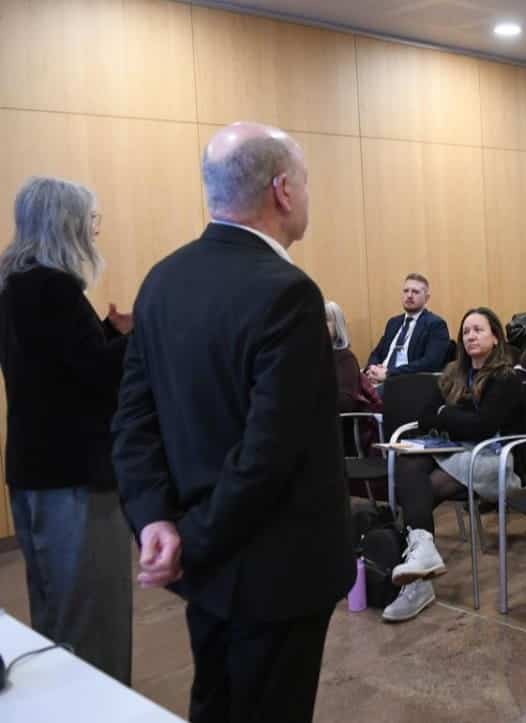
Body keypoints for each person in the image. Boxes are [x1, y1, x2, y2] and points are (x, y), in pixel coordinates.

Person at [112, 122, 353, 723]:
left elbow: (133, 421)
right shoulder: (289, 293)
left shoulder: (161, 281)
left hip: (202, 565)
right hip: (275, 572)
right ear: (283, 191)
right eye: (305, 181)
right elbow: (269, 454)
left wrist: (156, 522)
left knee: (216, 701)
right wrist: (190, 541)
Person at [0, 176, 133, 684]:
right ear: (66, 223)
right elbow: (95, 377)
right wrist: (138, 336)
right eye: (89, 219)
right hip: (75, 475)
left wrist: (106, 333)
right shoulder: (55, 289)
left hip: (32, 468)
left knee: (52, 609)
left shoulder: (13, 287)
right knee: (92, 619)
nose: (94, 230)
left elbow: (56, 368)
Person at [385, 308, 526, 622]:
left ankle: (417, 576)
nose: (471, 336)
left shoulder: (506, 377)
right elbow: (424, 416)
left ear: (495, 337)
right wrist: (452, 419)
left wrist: (445, 415)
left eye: (478, 330)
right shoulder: (453, 372)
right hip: (457, 450)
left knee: (423, 488)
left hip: (493, 458)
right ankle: (421, 557)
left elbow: (483, 425)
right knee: (409, 464)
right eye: (466, 331)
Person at [365, 273, 450, 387]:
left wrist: (389, 373)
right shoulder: (393, 323)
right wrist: (372, 368)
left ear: (426, 298)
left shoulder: (435, 324)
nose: (409, 295)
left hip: (407, 382)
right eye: (406, 291)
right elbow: (377, 353)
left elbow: (430, 362)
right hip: (380, 379)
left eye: (415, 292)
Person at [327, 300, 366, 414]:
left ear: (337, 326)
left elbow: (345, 404)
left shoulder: (345, 358)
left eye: (325, 319)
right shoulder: (309, 357)